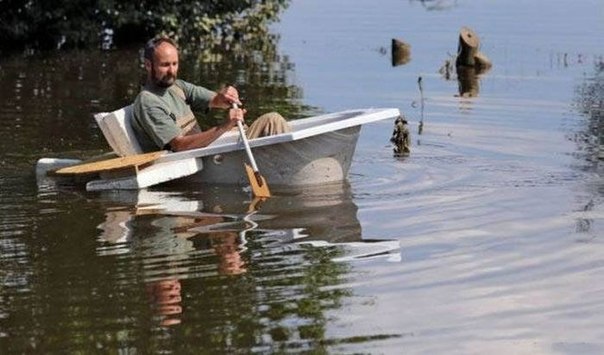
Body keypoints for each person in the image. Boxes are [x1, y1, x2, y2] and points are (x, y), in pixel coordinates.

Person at [131, 36, 290, 153]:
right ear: (148, 65)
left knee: (269, 124)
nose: (172, 71)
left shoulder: (177, 86)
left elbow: (216, 100)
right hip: (198, 157)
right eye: (165, 65)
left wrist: (226, 96)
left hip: (208, 148)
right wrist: (225, 125)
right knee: (271, 121)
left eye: (175, 64)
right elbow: (179, 145)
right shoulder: (148, 102)